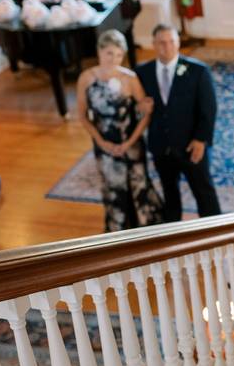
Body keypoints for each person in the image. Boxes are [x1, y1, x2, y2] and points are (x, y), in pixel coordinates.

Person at [77, 29, 163, 232]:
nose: (113, 59)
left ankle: (145, 231)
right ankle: (117, 233)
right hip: (104, 145)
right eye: (109, 54)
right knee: (113, 190)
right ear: (99, 52)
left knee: (138, 187)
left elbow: (145, 114)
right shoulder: (86, 79)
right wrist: (100, 141)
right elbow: (82, 115)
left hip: (131, 144)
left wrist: (130, 142)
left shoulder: (130, 78)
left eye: (118, 55)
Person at [135, 24, 221, 221]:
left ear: (178, 42)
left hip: (190, 145)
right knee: (169, 192)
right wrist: (141, 108)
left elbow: (208, 109)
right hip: (161, 147)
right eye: (162, 43)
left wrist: (201, 140)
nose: (167, 47)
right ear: (154, 44)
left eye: (171, 41)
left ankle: (216, 229)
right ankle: (172, 233)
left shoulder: (198, 71)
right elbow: (136, 105)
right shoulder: (143, 72)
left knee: (203, 190)